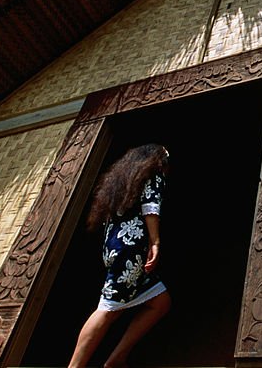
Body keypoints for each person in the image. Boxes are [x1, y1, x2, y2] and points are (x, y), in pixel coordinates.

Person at [67, 144, 172, 368]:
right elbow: (150, 206)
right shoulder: (153, 175)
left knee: (160, 301)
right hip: (131, 252)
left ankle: (117, 358)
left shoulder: (122, 183)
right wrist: (155, 241)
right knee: (108, 309)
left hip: (115, 250)